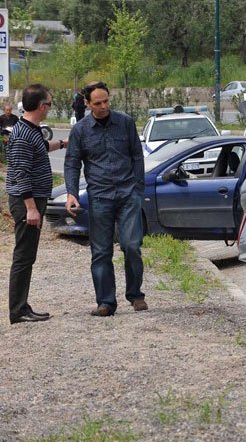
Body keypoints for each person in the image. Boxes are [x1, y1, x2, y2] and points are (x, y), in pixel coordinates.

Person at [64, 81, 147, 317]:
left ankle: (136, 294)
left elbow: (137, 157)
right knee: (101, 251)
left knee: (131, 246)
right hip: (100, 196)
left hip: (128, 193)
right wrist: (71, 192)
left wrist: (138, 190)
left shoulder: (125, 122)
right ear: (87, 104)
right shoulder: (80, 130)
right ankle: (106, 302)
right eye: (98, 103)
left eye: (106, 101)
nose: (104, 106)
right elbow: (71, 163)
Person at [6, 84, 69, 324]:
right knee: (24, 256)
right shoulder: (23, 134)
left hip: (33, 200)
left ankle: (21, 306)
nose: (50, 108)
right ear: (42, 106)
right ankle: (18, 310)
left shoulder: (30, 129)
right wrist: (31, 208)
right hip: (26, 203)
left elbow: (41, 149)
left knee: (27, 255)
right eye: (50, 104)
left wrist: (63, 144)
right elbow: (20, 174)